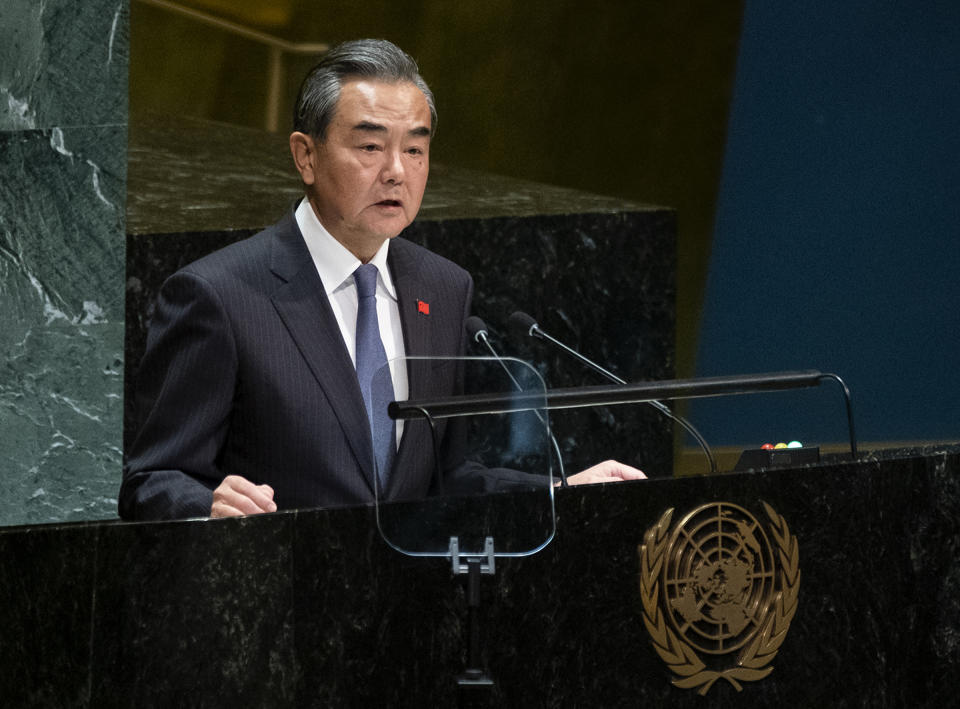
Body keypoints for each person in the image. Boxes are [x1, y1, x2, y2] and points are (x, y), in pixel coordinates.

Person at [119, 39, 644, 521]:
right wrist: (205, 505)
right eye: (370, 148)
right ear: (306, 155)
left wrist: (560, 487)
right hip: (283, 601)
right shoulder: (219, 295)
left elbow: (447, 476)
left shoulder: (442, 287)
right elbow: (151, 482)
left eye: (414, 149)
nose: (396, 170)